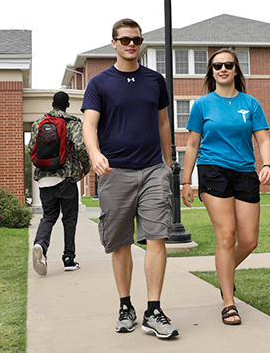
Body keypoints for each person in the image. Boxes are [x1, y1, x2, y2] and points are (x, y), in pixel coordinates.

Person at [82, 18, 179, 339]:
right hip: (115, 172)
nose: (131, 45)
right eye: (125, 40)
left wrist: (168, 163)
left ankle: (154, 309)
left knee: (157, 237)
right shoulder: (100, 83)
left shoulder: (155, 80)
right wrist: (95, 154)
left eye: (136, 40)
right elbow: (89, 125)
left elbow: (163, 123)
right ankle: (126, 306)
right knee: (120, 242)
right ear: (114, 43)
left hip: (153, 170)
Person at [180, 47, 270, 325]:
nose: (223, 69)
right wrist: (186, 181)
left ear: (236, 70)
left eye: (228, 65)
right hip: (213, 171)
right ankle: (228, 302)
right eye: (217, 65)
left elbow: (264, 140)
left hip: (245, 172)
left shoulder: (251, 103)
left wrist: (266, 165)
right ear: (211, 71)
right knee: (226, 236)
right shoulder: (202, 105)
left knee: (248, 241)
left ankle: (224, 273)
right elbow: (192, 144)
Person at [28, 91, 91, 275]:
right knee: (69, 220)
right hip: (66, 179)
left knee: (48, 217)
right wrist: (85, 168)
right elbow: (80, 147)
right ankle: (69, 259)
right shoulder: (72, 123)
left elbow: (32, 147)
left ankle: (40, 245)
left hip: (45, 180)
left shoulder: (39, 123)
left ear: (53, 103)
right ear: (67, 105)